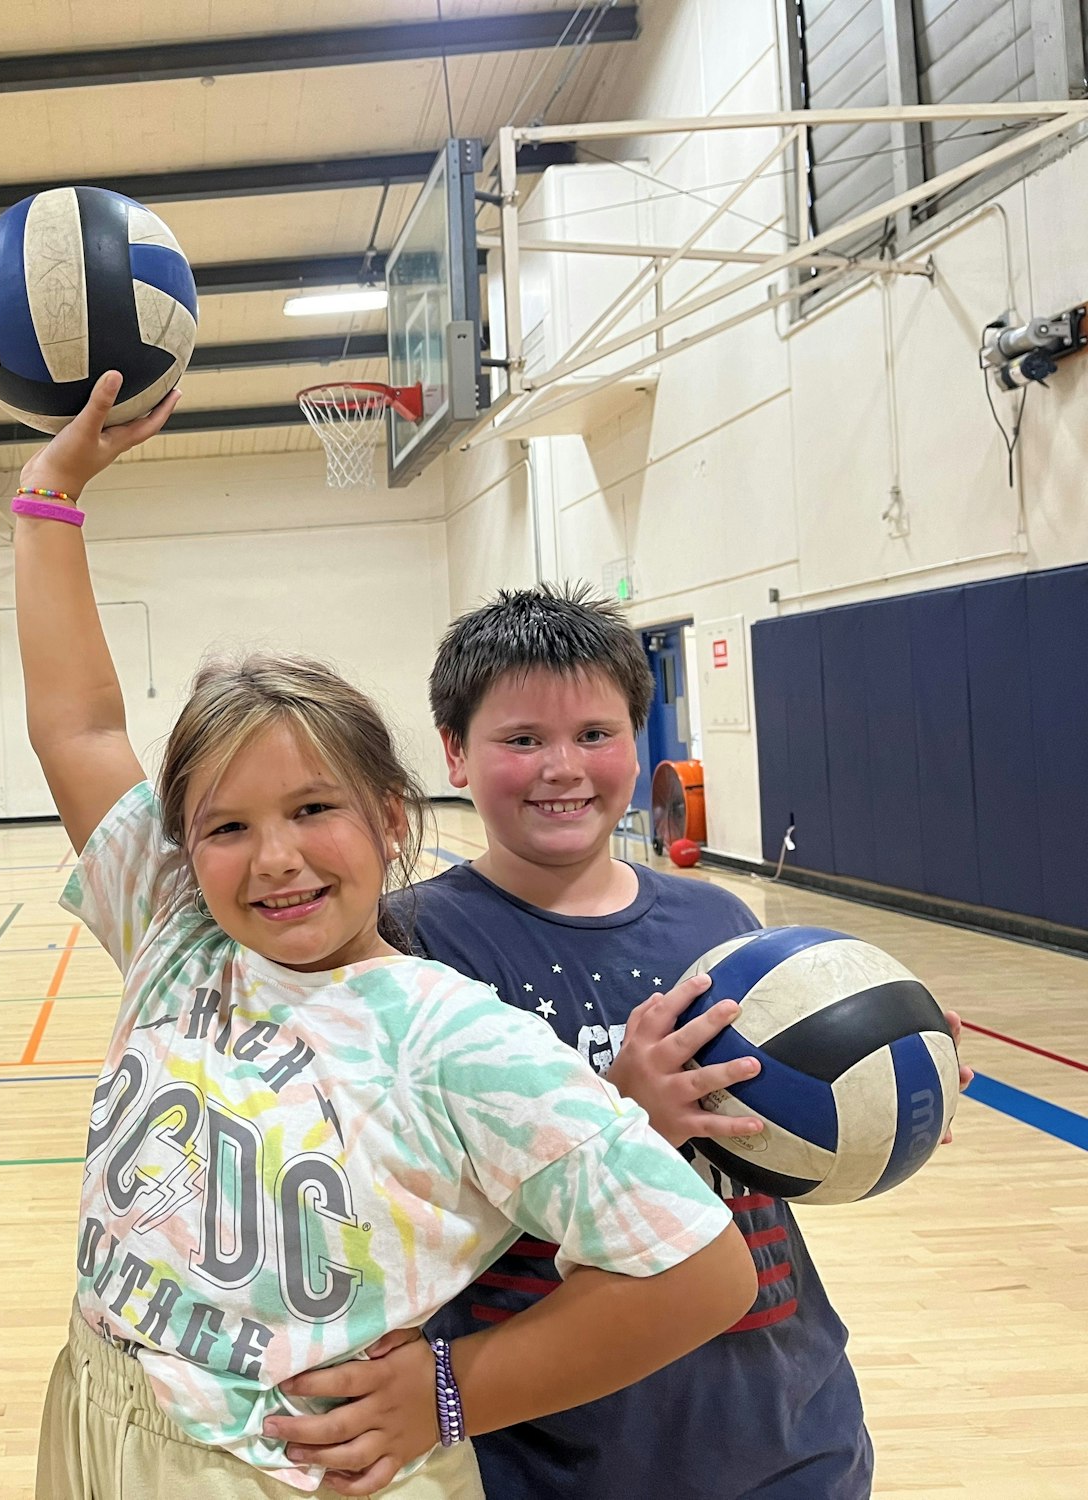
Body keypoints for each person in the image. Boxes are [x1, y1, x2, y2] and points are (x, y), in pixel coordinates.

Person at [15, 373, 758, 1499]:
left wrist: (454, 1393)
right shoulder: (172, 934)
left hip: (288, 1469)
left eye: (313, 811)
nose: (274, 857)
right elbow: (77, 722)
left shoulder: (455, 1035)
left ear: (390, 819)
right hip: (97, 1409)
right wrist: (47, 491)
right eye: (226, 826)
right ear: (180, 848)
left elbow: (703, 1275)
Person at [366, 583, 973, 1500]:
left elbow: (780, 1145)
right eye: (522, 739)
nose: (562, 766)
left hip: (780, 1415)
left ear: (639, 741)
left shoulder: (718, 922)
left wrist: (887, 1086)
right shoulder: (410, 946)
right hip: (551, 1441)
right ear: (454, 751)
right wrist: (623, 1120)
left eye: (596, 735)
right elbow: (407, 1204)